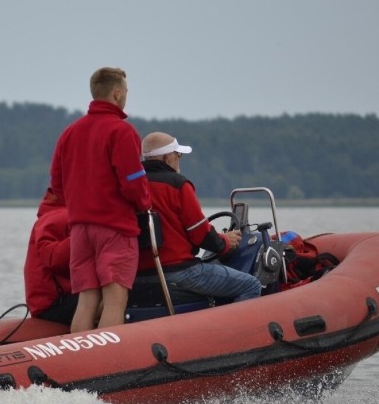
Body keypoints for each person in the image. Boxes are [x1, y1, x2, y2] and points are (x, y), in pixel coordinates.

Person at [50, 67, 151, 332]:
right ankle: (111, 367)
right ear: (117, 93)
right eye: (126, 92)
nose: (126, 97)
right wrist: (145, 204)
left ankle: (79, 362)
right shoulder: (122, 132)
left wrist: (78, 204)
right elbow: (134, 184)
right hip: (115, 228)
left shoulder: (69, 133)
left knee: (86, 301)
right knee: (115, 301)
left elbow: (57, 184)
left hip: (80, 230)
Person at [137, 131, 262, 303]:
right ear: (167, 158)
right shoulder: (178, 185)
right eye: (178, 155)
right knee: (251, 285)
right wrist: (225, 242)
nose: (179, 159)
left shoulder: (134, 186)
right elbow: (200, 234)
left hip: (140, 273)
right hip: (180, 271)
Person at [23, 187, 77, 325]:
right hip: (54, 303)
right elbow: (53, 258)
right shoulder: (58, 217)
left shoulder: (56, 214)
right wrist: (83, 237)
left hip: (47, 303)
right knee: (112, 297)